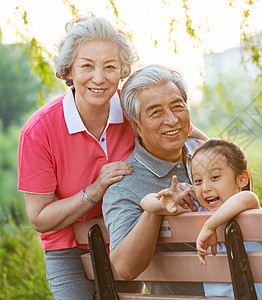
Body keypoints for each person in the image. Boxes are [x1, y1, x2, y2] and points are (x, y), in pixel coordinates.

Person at [17, 16, 205, 299]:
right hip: (68, 248)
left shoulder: (137, 109)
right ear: (69, 69)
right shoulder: (39, 130)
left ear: (122, 70)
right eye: (87, 66)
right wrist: (95, 190)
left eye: (110, 67)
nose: (99, 77)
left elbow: (191, 137)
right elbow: (40, 218)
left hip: (125, 235)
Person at [102, 64, 205, 296]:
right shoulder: (124, 186)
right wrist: (155, 210)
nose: (171, 120)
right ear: (136, 125)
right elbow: (125, 268)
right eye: (156, 112)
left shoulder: (209, 155)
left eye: (177, 106)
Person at [140, 138, 262, 298]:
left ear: (242, 179)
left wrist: (210, 226)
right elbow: (145, 202)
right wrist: (165, 202)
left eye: (214, 177)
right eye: (198, 181)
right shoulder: (198, 209)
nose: (205, 188)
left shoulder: (245, 209)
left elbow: (247, 197)